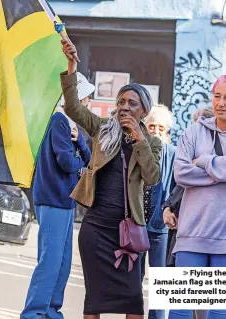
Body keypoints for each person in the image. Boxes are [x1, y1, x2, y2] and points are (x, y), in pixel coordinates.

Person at [61, 39, 162, 319]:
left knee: (132, 301)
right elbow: (73, 108)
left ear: (144, 110)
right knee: (93, 301)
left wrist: (139, 138)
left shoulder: (152, 142)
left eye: (132, 103)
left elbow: (152, 177)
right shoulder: (103, 128)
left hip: (128, 234)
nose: (124, 107)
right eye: (121, 102)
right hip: (95, 229)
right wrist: (71, 66)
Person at [20, 72, 94, 319]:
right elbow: (67, 162)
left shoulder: (69, 125)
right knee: (50, 262)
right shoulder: (59, 121)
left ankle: (51, 311)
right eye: (86, 99)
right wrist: (79, 158)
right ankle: (33, 313)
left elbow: (89, 160)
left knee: (61, 264)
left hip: (63, 202)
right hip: (53, 200)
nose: (87, 104)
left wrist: (81, 143)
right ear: (75, 98)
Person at [168, 76, 226, 319]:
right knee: (180, 310)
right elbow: (180, 173)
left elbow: (191, 168)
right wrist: (220, 173)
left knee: (218, 311)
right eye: (217, 96)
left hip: (224, 239)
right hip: (191, 235)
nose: (221, 103)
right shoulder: (194, 131)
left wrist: (204, 162)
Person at [141, 104, 176, 319]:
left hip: (160, 228)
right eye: (151, 126)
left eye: (160, 128)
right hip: (135, 224)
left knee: (160, 283)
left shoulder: (173, 153)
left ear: (167, 131)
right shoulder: (139, 149)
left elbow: (176, 188)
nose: (155, 131)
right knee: (132, 281)